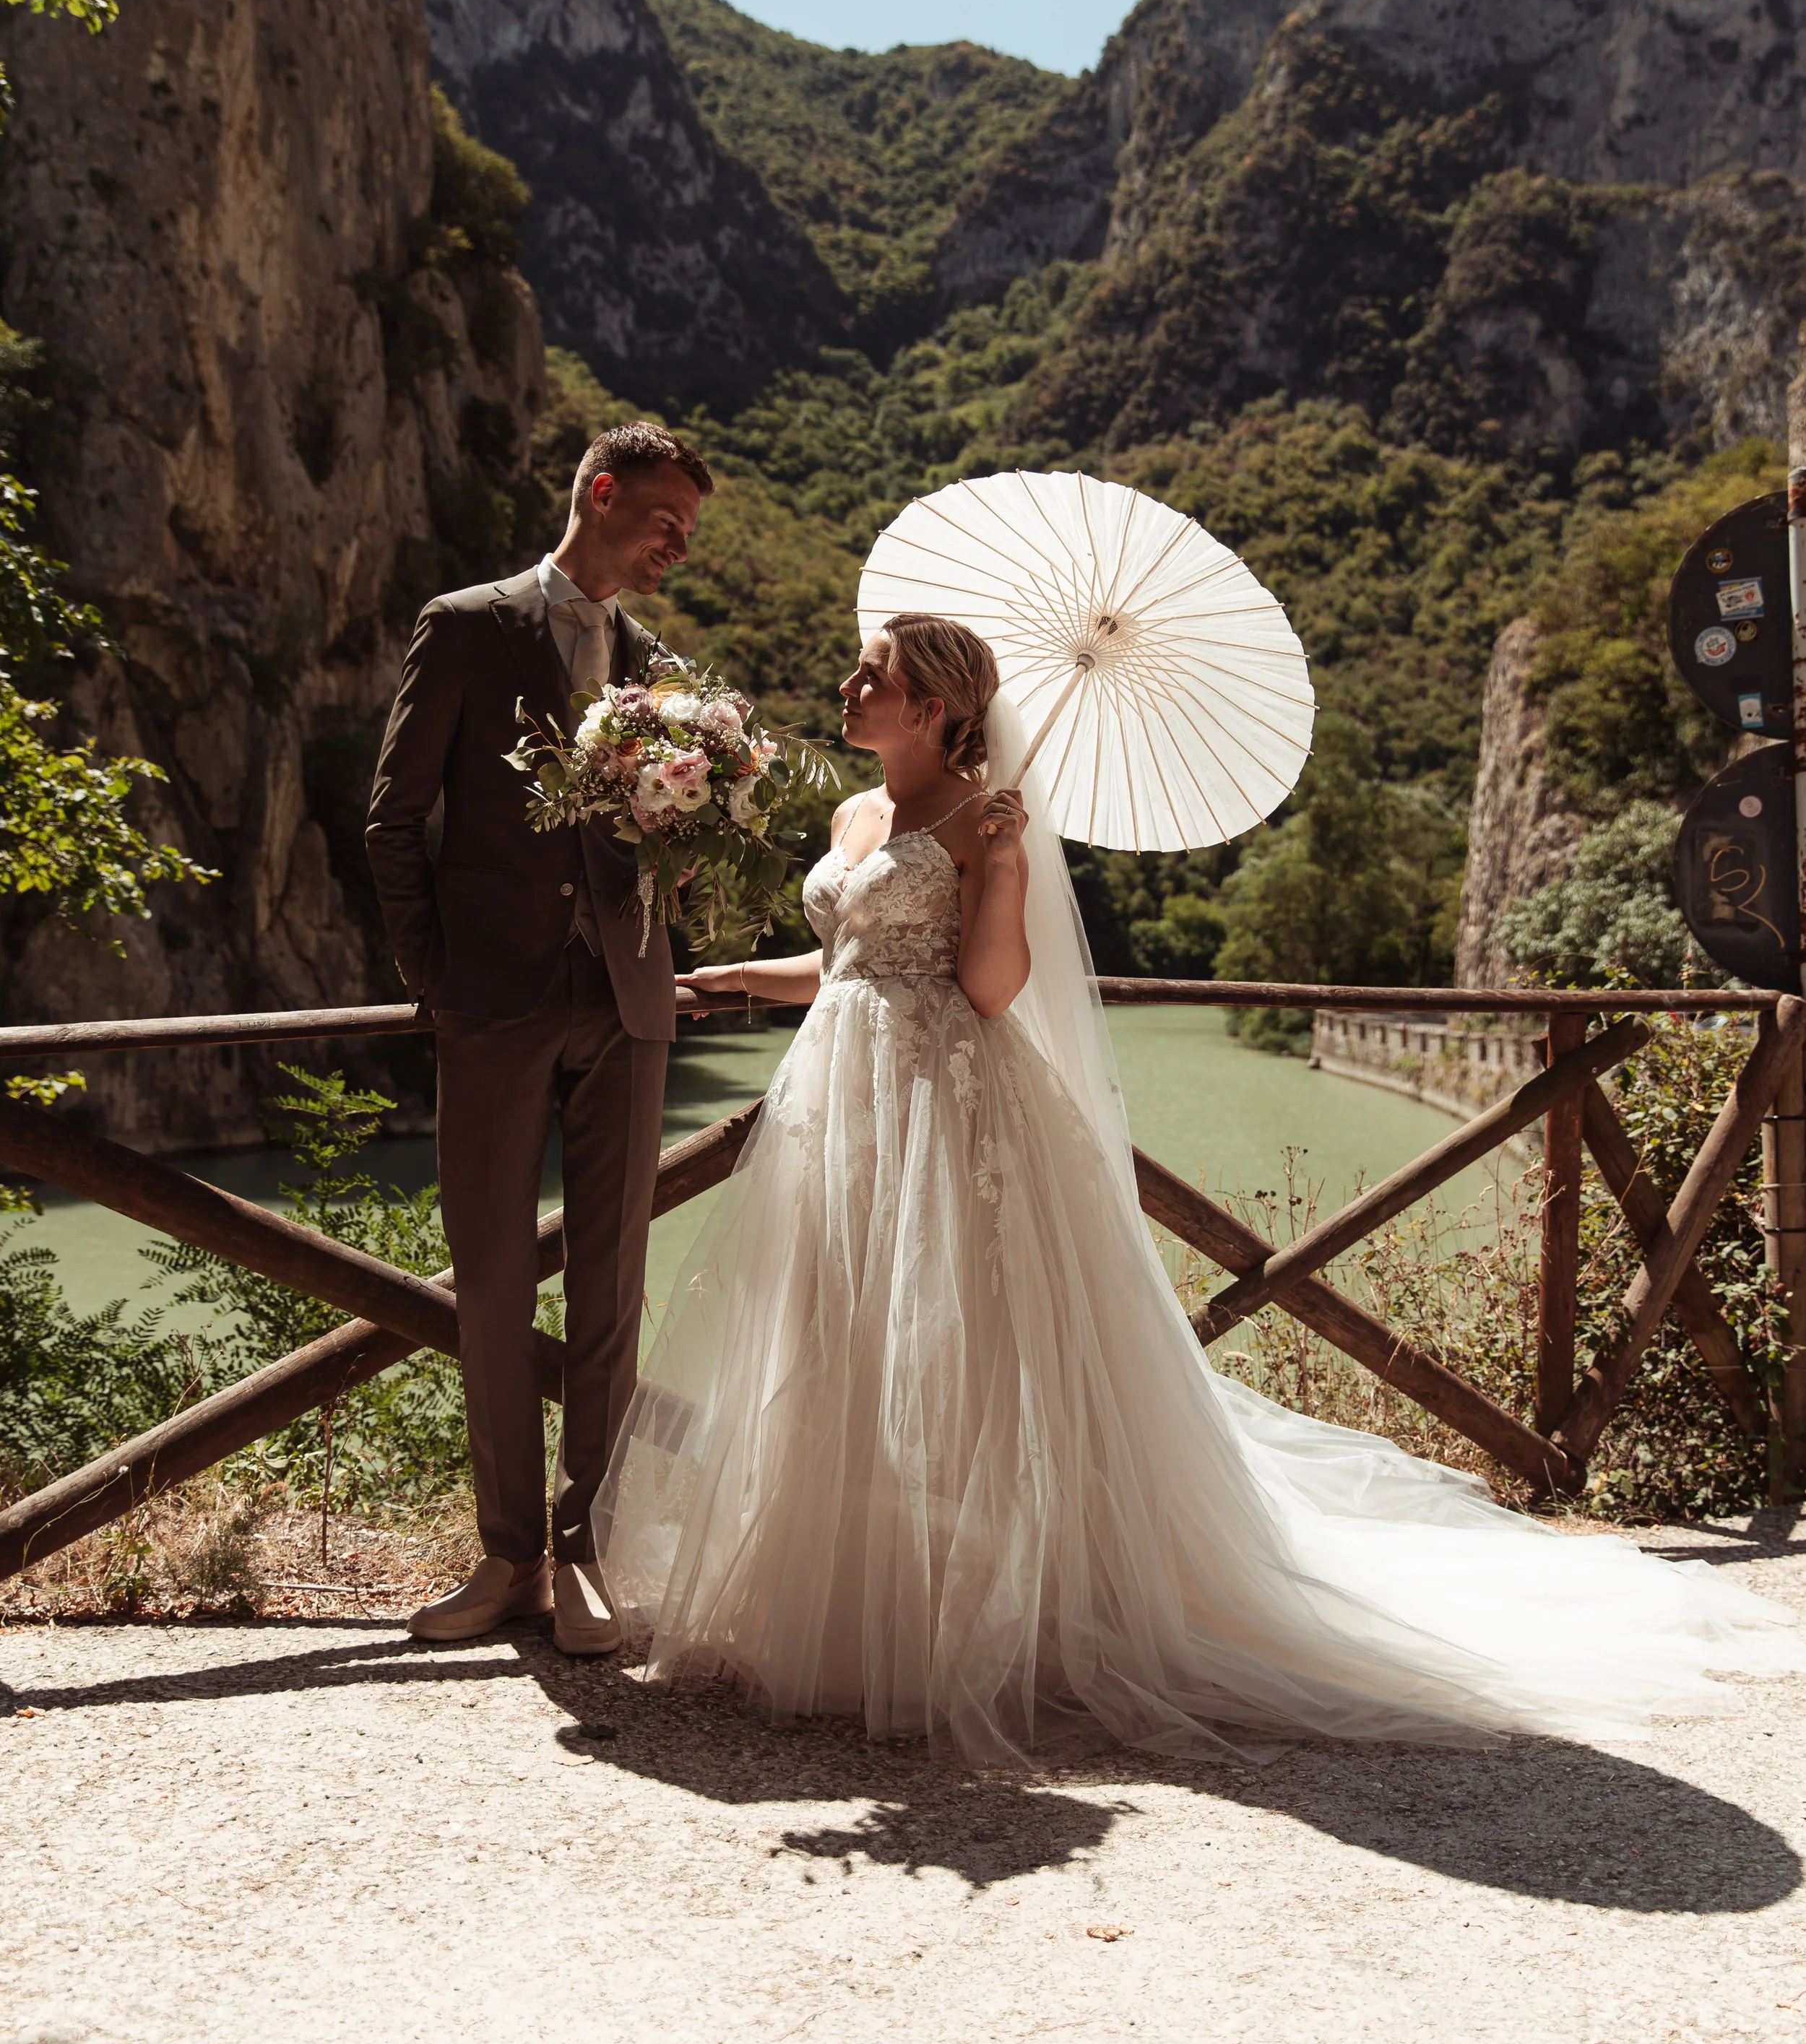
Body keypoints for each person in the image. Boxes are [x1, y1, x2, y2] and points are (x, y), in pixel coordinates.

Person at [597, 612, 1797, 1764]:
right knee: (838, 1332)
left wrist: (1005, 868)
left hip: (944, 1103)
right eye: (858, 672)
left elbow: (992, 988)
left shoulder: (982, 823)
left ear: (932, 703)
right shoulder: (859, 811)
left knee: (970, 1348)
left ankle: (979, 1617)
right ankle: (846, 1598)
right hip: (837, 1103)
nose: (850, 687)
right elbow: (843, 962)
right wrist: (716, 981)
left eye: (872, 674)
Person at [366, 422, 711, 1655]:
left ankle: (590, 1555)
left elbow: (657, 845)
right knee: (495, 1291)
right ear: (602, 494)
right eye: (666, 518)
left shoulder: (660, 667)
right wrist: (440, 979)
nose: (680, 544)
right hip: (494, 1007)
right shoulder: (465, 626)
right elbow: (393, 821)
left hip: (628, 1007)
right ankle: (508, 1559)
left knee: (614, 1288)